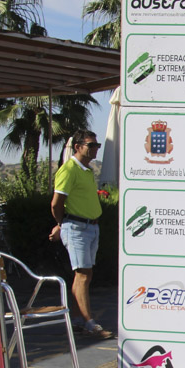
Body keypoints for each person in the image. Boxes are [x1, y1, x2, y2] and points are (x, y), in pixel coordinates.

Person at [48, 130, 113, 339]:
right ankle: (89, 322)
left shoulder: (86, 170)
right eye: (91, 145)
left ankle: (77, 320)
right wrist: (61, 224)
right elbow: (56, 203)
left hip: (90, 226)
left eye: (97, 146)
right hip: (77, 227)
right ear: (78, 146)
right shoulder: (69, 170)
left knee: (84, 273)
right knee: (83, 274)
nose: (95, 149)